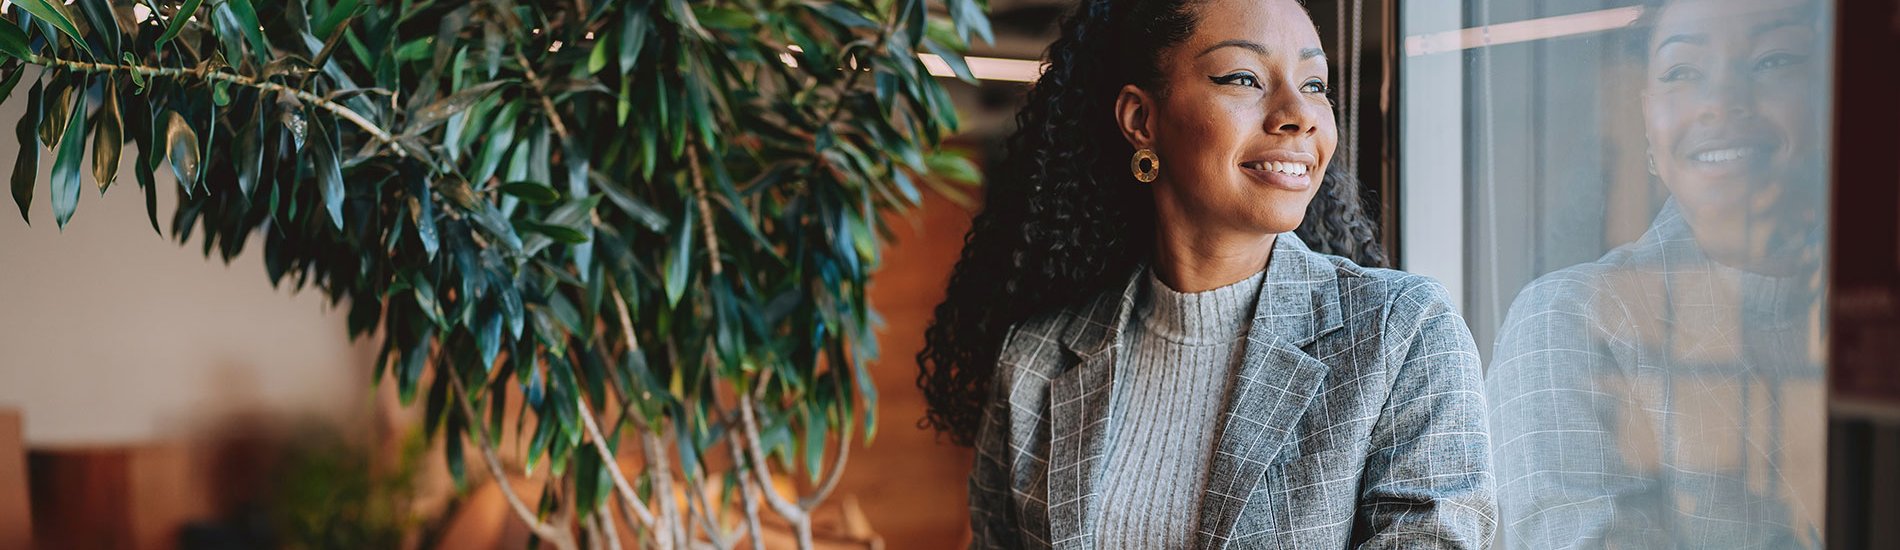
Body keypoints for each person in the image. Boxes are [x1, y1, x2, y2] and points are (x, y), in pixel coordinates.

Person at [915, 0, 1496, 546]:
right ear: (1141, 118)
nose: (1298, 115)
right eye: (1244, 78)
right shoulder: (1034, 361)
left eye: (1315, 85)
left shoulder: (1402, 333)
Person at [1486, 0, 1829, 547]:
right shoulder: (1576, 319)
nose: (1720, 102)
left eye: (1773, 61)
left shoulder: (1861, 304)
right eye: (1682, 72)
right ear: (1648, 123)